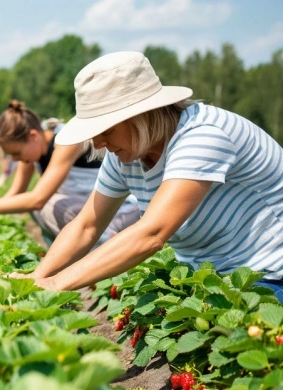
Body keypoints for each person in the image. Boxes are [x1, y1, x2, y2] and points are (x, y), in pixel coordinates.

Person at [17, 51, 283, 302]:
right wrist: (38, 277)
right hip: (211, 276)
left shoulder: (203, 135)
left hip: (269, 272)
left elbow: (151, 233)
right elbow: (86, 226)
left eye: (105, 130)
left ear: (141, 115)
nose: (97, 143)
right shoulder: (127, 154)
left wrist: (57, 284)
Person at [0, 100, 139, 247]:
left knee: (48, 205)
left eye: (17, 153)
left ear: (33, 136)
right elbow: (15, 194)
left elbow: (38, 199)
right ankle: (74, 253)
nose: (16, 159)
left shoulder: (67, 140)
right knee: (38, 207)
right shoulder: (33, 151)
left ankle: (110, 250)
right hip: (85, 208)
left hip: (120, 210)